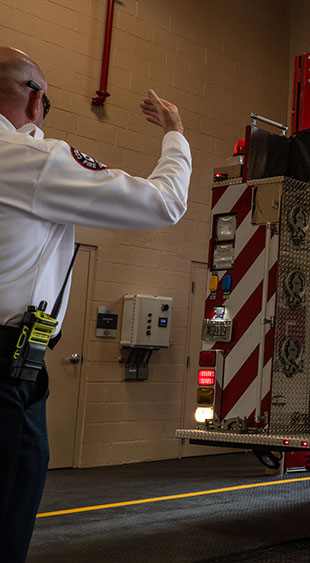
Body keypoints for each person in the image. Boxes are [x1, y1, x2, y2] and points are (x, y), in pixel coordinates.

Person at [0, 47, 191, 561]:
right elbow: (164, 201)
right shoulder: (29, 160)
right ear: (36, 101)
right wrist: (174, 133)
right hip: (7, 369)